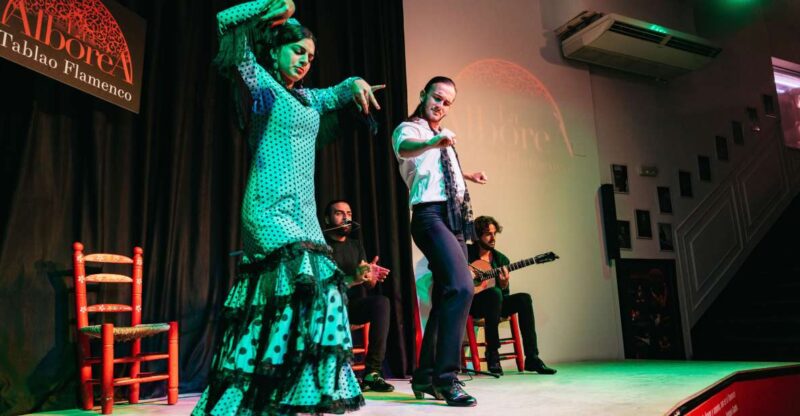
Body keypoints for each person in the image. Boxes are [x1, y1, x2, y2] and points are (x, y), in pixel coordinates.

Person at [193, 1, 384, 414]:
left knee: (326, 296)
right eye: (298, 51)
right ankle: (244, 399)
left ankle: (288, 396)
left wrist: (354, 82)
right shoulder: (259, 81)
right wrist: (274, 8)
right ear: (277, 49)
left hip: (305, 216)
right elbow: (224, 22)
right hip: (267, 208)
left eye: (311, 57)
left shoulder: (309, 99)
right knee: (286, 297)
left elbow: (335, 94)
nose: (304, 61)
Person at [392, 76, 487, 407]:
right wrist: (435, 144)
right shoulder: (412, 129)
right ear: (423, 94)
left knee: (449, 292)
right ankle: (446, 379)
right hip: (429, 217)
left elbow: (441, 172)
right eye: (437, 97)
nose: (441, 105)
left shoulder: (438, 137)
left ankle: (425, 377)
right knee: (462, 288)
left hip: (454, 219)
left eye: (448, 102)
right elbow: (405, 151)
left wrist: (467, 175)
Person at [467, 215, 556, 375]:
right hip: (473, 305)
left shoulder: (501, 260)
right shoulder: (466, 253)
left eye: (495, 234)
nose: (493, 238)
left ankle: (532, 357)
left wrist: (504, 284)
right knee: (494, 294)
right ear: (477, 236)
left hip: (495, 305)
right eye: (488, 234)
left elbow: (504, 295)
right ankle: (493, 354)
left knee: (523, 298)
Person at [323, 200, 394, 392]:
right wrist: (354, 278)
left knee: (381, 303)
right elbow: (324, 286)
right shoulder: (320, 245)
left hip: (351, 306)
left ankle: (372, 373)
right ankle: (335, 373)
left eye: (349, 213)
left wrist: (370, 276)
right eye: (339, 213)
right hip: (327, 308)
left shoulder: (356, 245)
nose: (346, 218)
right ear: (327, 219)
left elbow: (367, 283)